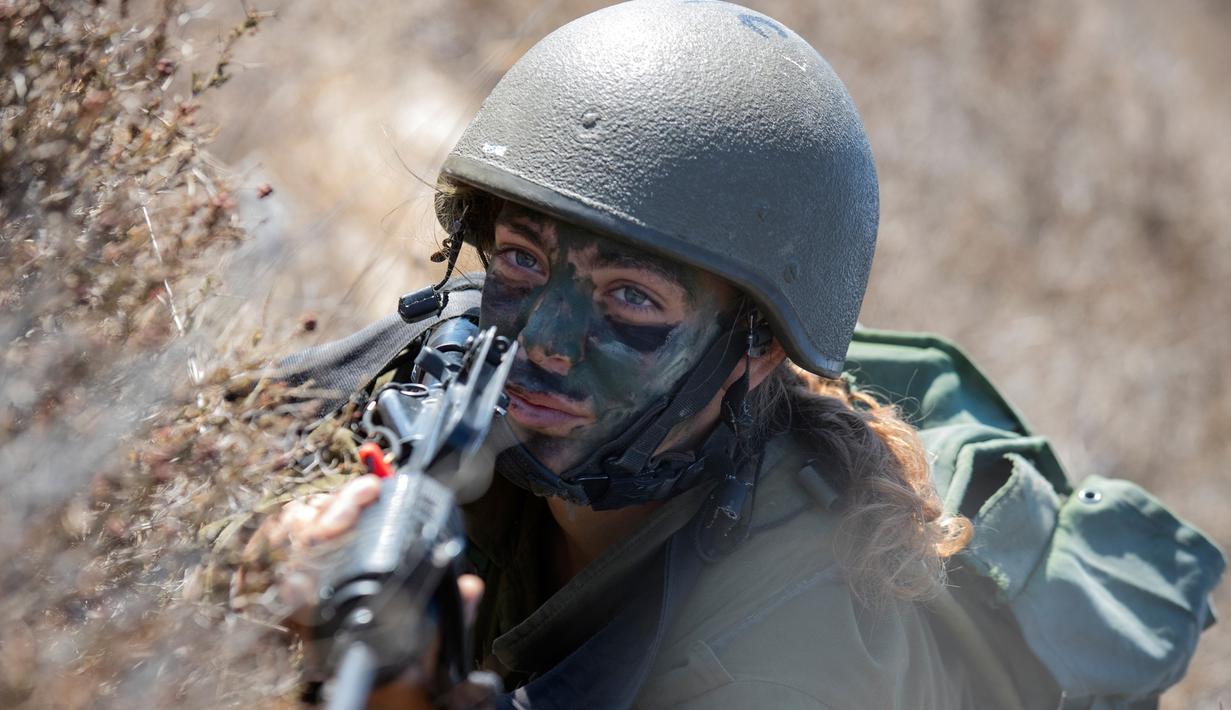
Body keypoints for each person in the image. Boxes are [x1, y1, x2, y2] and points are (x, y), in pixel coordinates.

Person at [252, 1, 1222, 708]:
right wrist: (266, 549)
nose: (540, 342)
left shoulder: (804, 638)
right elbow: (180, 479)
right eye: (519, 256)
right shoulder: (452, 366)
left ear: (755, 351)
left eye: (631, 299)